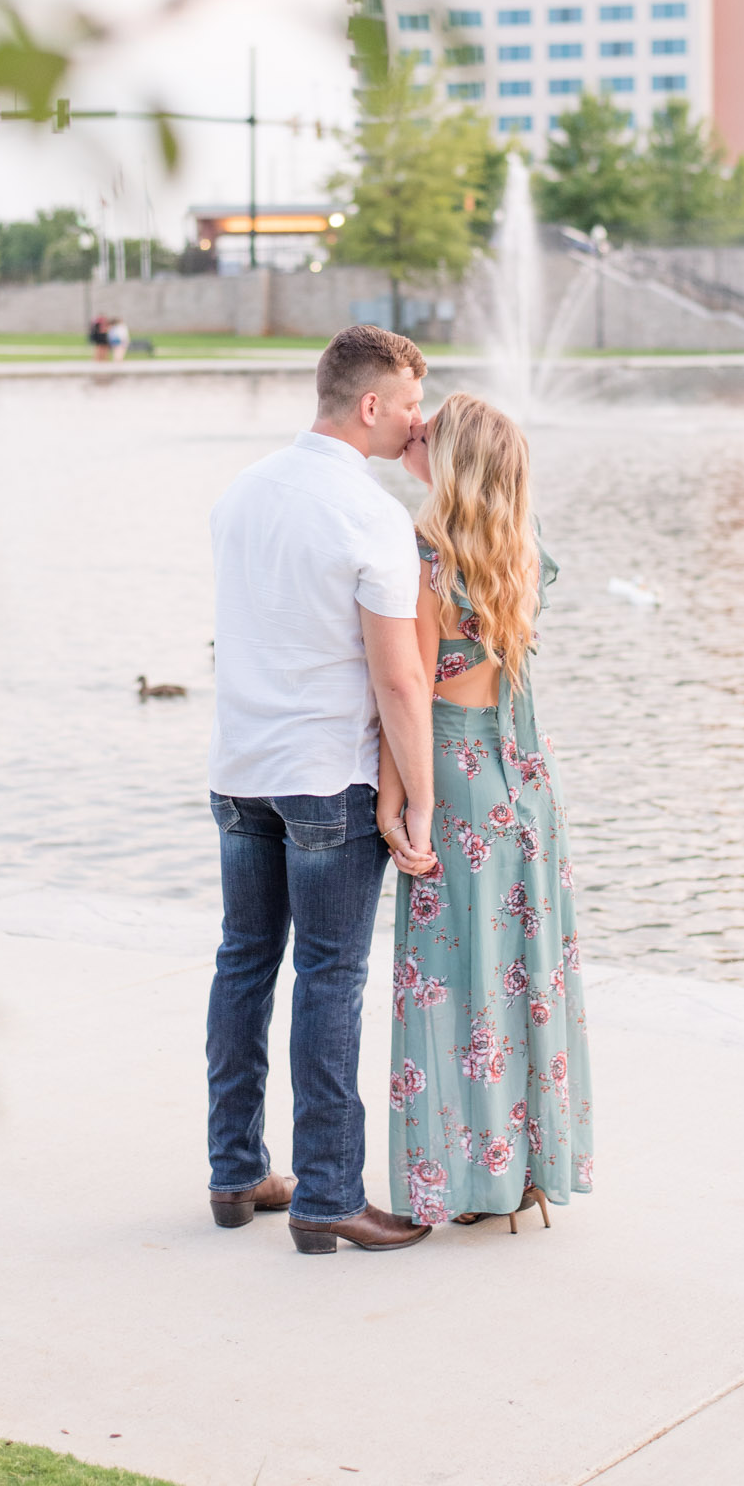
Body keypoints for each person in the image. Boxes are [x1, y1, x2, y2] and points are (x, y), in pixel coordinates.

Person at [206, 325, 438, 1255]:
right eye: (411, 407)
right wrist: (418, 798)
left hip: (239, 772)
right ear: (371, 405)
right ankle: (329, 1195)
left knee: (243, 965)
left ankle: (234, 1173)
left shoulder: (241, 491)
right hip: (327, 781)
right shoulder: (371, 514)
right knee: (331, 981)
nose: (418, 425)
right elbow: (398, 681)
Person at [378, 392, 594, 1228]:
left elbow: (414, 696)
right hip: (527, 787)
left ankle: (470, 1184)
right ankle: (527, 1173)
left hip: (460, 786)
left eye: (429, 431)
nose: (414, 432)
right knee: (524, 981)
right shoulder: (523, 552)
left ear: (453, 462)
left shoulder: (426, 559)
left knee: (452, 991)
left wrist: (399, 807)